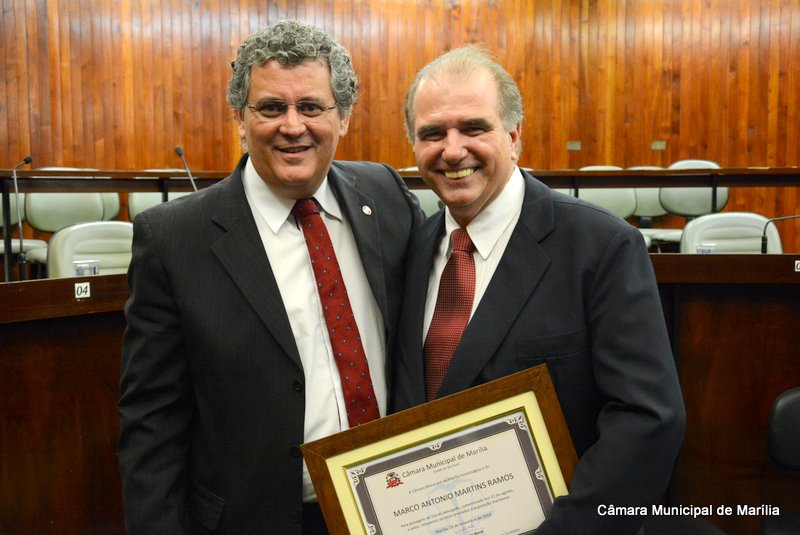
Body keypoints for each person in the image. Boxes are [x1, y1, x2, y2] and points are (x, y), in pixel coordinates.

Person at [118, 20, 423, 535]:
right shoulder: (173, 238)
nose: (292, 126)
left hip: (396, 505)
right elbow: (152, 423)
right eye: (271, 107)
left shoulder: (386, 196)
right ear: (240, 118)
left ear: (343, 117)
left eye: (312, 107)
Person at [391, 44, 686, 535]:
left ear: (514, 137)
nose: (453, 150)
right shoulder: (411, 251)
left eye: (474, 128)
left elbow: (648, 420)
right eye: (433, 133)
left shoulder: (600, 246)